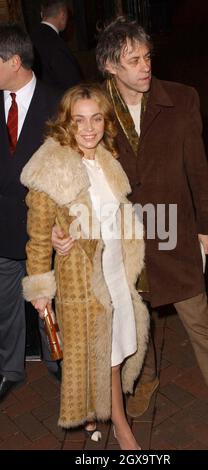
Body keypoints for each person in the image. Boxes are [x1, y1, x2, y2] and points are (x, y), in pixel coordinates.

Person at [52, 17, 208, 450]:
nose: (145, 66)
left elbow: (199, 167)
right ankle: (147, 380)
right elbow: (72, 166)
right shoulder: (98, 112)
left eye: (147, 57)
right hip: (125, 236)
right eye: (133, 60)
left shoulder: (181, 99)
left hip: (174, 230)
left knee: (201, 325)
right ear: (110, 68)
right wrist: (61, 223)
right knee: (137, 318)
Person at [21, 83, 149, 450]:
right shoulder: (53, 169)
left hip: (115, 272)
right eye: (79, 121)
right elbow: (39, 237)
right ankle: (122, 428)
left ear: (105, 121)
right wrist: (41, 291)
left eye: (96, 119)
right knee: (105, 355)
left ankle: (99, 412)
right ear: (66, 123)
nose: (89, 128)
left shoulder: (107, 159)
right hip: (81, 280)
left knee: (113, 348)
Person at [0, 23, 61, 402]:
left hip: (45, 231)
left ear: (14, 61)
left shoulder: (58, 104)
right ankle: (11, 369)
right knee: (5, 307)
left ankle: (57, 362)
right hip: (2, 230)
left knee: (48, 303)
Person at [31, 0, 82, 92]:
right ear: (63, 15)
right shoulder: (56, 44)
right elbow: (73, 84)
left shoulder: (29, 36)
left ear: (42, 14)